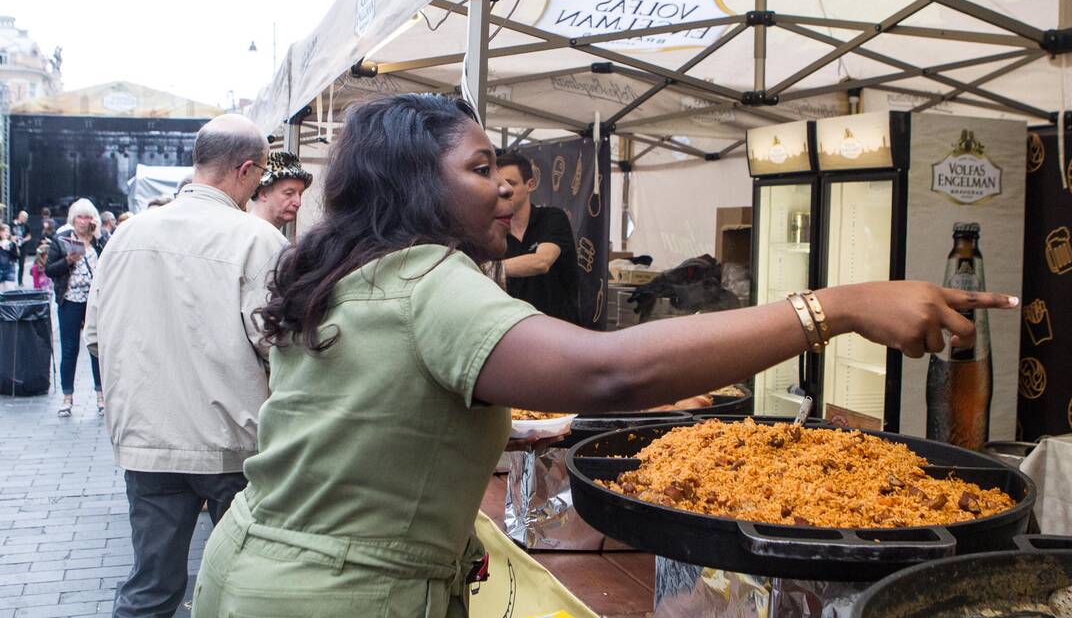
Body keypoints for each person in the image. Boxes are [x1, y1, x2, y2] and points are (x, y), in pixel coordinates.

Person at [190, 94, 1018, 618]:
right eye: (481, 169)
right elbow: (608, 371)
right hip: (334, 596)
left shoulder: (347, 267)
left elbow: (367, 422)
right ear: (416, 182)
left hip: (258, 565)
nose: (504, 190)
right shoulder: (424, 278)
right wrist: (835, 307)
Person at [83, 113, 288, 618]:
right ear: (246, 169)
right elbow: (278, 344)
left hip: (147, 441)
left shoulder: (124, 240)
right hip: (233, 444)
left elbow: (93, 338)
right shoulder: (258, 241)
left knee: (150, 587)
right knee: (240, 586)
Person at [497, 152, 581, 324]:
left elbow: (541, 262)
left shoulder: (552, 218)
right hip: (516, 331)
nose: (504, 191)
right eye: (498, 185)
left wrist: (488, 270)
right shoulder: (494, 230)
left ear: (530, 184)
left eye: (510, 183)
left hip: (560, 330)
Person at [45, 199, 108, 417]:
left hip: (95, 300)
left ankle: (101, 396)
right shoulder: (61, 240)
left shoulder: (100, 240)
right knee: (70, 348)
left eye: (88, 216)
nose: (84, 221)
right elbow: (49, 270)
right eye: (80, 217)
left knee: (96, 347)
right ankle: (67, 397)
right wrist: (68, 261)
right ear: (73, 219)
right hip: (70, 298)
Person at [249, 151, 312, 230]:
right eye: (288, 193)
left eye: (300, 194)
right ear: (263, 194)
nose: (298, 203)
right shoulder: (254, 236)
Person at [12, 210, 31, 286]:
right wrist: (12, 238)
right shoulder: (12, 224)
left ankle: (20, 281)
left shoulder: (26, 225)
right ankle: (11, 279)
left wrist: (24, 240)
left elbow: (29, 236)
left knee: (21, 264)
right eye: (24, 217)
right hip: (13, 246)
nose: (24, 219)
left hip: (22, 246)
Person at [0, 224, 18, 290]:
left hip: (9, 269)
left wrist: (9, 250)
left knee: (9, 289)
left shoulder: (12, 244)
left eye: (8, 232)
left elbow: (16, 257)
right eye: (4, 231)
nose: (6, 233)